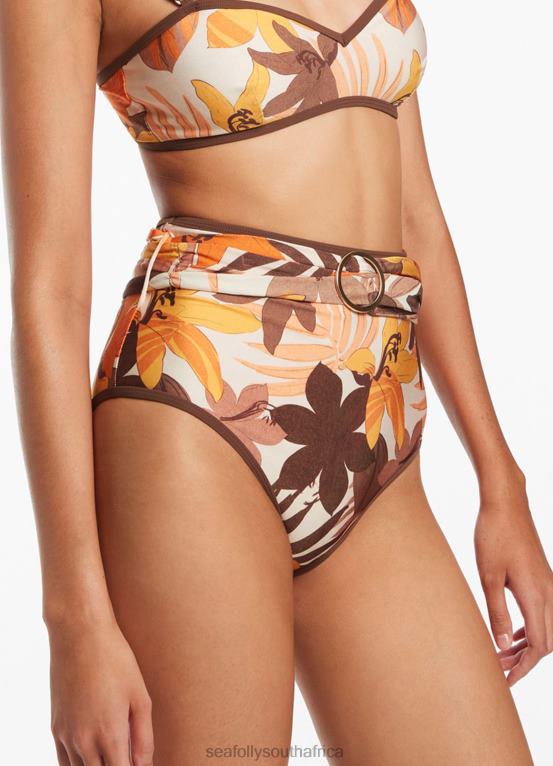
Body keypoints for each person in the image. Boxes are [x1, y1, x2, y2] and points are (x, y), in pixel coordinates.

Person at [2, 0, 552, 764]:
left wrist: (500, 478)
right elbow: (51, 288)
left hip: (377, 431)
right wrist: (74, 622)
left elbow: (416, 216)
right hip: (198, 415)